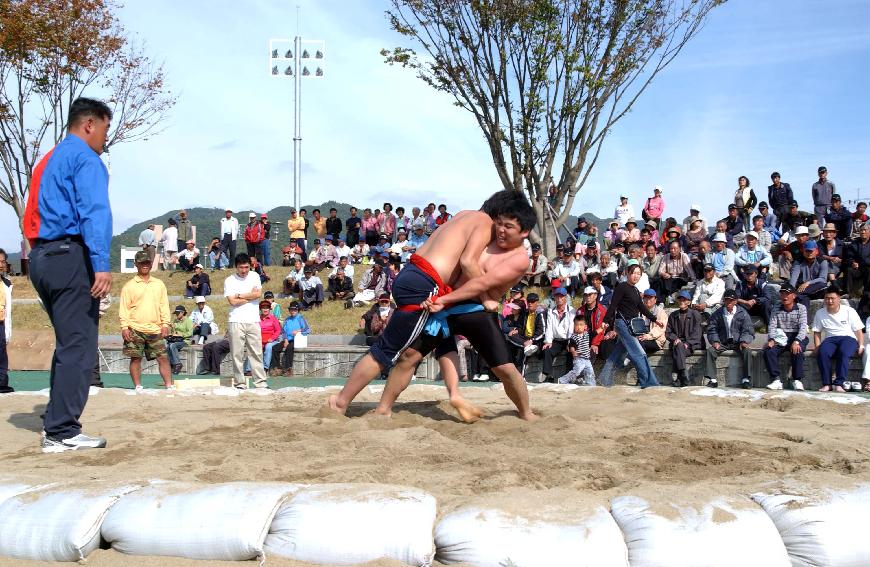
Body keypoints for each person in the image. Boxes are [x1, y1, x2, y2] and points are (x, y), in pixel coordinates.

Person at [329, 190, 537, 422]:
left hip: (461, 302)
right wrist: (476, 298)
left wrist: (482, 298)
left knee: (499, 366)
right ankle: (357, 404)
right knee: (394, 352)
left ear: (524, 231)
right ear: (495, 216)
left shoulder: (515, 255)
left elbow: (481, 278)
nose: (500, 229)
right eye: (499, 223)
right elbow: (468, 262)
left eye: (508, 226)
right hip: (435, 291)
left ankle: (517, 410)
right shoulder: (483, 223)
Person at [23, 97, 112, 452]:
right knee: (79, 346)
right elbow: (94, 211)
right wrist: (101, 263)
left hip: (41, 257)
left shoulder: (48, 159)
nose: (106, 138)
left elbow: (33, 212)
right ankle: (61, 431)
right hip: (68, 255)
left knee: (68, 345)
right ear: (89, 125)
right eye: (105, 129)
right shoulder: (85, 158)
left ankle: (57, 423)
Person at [597, 264, 662, 388]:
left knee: (618, 353)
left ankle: (604, 379)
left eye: (639, 273)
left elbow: (641, 307)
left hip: (631, 325)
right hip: (623, 324)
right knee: (639, 353)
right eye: (634, 273)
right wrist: (605, 321)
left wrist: (654, 319)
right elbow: (613, 305)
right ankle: (649, 383)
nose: (636, 275)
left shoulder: (635, 290)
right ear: (628, 273)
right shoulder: (622, 287)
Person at [120, 251, 173, 390]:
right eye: (142, 263)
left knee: (162, 357)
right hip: (134, 328)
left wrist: (165, 324)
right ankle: (138, 386)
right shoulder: (129, 286)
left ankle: (169, 385)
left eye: (147, 262)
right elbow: (124, 308)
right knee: (136, 358)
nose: (145, 265)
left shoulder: (159, 284)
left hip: (155, 328)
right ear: (136, 264)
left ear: (150, 264)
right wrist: (124, 327)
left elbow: (164, 305)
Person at [224, 252, 267, 389]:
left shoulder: (254, 276)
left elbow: (258, 294)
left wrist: (240, 295)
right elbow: (232, 302)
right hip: (236, 320)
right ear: (236, 267)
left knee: (256, 352)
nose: (244, 271)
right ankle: (240, 383)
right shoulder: (229, 280)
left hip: (253, 320)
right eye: (241, 267)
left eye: (247, 267)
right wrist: (250, 296)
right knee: (237, 353)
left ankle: (260, 382)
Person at [812, 286, 864, 393]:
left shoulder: (849, 311)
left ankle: (839, 384)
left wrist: (861, 344)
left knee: (844, 352)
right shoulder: (820, 313)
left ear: (838, 298)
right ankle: (827, 384)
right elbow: (817, 331)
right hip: (830, 338)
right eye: (827, 298)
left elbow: (858, 330)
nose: (829, 301)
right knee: (823, 352)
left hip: (848, 337)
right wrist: (817, 346)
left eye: (832, 298)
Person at [704, 289, 754, 389]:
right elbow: (711, 328)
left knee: (747, 351)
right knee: (710, 351)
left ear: (735, 301)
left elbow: (748, 329)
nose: (729, 302)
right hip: (723, 342)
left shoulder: (742, 313)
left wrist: (744, 340)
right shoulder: (718, 313)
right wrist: (715, 341)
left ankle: (746, 379)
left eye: (731, 300)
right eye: (726, 300)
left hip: (738, 342)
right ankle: (713, 380)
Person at [764, 283, 808, 391]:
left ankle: (797, 379)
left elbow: (803, 328)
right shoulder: (777, 306)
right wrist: (771, 339)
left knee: (798, 350)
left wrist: (797, 341)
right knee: (769, 351)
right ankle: (776, 380)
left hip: (797, 335)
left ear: (794, 296)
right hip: (782, 336)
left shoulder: (801, 308)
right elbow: (772, 325)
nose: (785, 297)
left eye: (787, 294)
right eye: (782, 294)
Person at [666, 290, 704, 388]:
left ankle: (679, 377)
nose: (682, 301)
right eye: (680, 299)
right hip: (678, 343)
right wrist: (675, 339)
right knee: (678, 346)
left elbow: (697, 333)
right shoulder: (673, 315)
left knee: (678, 348)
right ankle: (683, 374)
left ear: (689, 302)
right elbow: (668, 332)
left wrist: (687, 343)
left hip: (692, 344)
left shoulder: (695, 314)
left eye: (684, 300)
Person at [538, 286, 574, 382]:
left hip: (568, 339)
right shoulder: (551, 311)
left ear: (565, 297)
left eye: (561, 297)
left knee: (571, 352)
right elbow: (549, 327)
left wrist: (570, 343)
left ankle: (569, 377)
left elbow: (571, 329)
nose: (559, 299)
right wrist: (548, 341)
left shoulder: (571, 311)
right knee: (547, 350)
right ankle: (547, 375)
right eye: (557, 297)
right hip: (556, 340)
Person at [271, 302, 311, 376]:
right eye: (291, 309)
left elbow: (307, 329)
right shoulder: (287, 319)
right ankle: (277, 368)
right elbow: (283, 331)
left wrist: (298, 331)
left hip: (297, 340)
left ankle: (288, 369)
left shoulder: (300, 318)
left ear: (298, 310)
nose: (292, 311)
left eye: (294, 310)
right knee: (275, 348)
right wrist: (285, 340)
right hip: (288, 339)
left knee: (289, 348)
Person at [556, 316, 595, 386]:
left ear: (585, 327)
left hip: (587, 359)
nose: (578, 327)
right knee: (576, 371)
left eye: (581, 325)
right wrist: (573, 352)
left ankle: (591, 384)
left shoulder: (587, 334)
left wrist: (602, 328)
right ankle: (562, 380)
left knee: (590, 372)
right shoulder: (574, 337)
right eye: (576, 325)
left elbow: (595, 333)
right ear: (574, 326)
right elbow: (571, 346)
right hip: (579, 358)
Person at [790, 240, 828, 309]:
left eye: (811, 251)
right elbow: (793, 278)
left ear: (816, 251)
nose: (809, 253)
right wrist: (791, 290)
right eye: (807, 251)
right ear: (803, 251)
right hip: (802, 289)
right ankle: (805, 318)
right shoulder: (798, 262)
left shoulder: (822, 261)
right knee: (804, 299)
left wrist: (808, 283)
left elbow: (823, 279)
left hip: (816, 289)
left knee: (823, 285)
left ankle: (797, 295)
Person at [253, 300, 283, 377]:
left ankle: (265, 368)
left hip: (272, 340)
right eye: (263, 308)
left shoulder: (273, 319)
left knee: (269, 346)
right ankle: (249, 369)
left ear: (270, 309)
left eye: (267, 308)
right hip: (260, 340)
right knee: (253, 347)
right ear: (260, 309)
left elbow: (278, 330)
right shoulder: (256, 319)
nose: (265, 309)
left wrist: (272, 338)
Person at [636, 288, 667, 354]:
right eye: (646, 297)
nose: (648, 300)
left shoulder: (661, 312)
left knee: (639, 343)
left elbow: (660, 329)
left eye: (650, 298)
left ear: (655, 300)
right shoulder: (638, 311)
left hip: (656, 340)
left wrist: (647, 336)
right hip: (641, 338)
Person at [166, 305, 193, 375]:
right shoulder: (175, 321)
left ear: (183, 313)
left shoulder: (188, 321)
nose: (176, 315)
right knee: (168, 345)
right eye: (176, 313)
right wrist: (172, 330)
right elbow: (174, 333)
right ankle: (172, 364)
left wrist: (181, 334)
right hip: (176, 339)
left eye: (178, 313)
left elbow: (190, 333)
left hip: (185, 340)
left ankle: (178, 364)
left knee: (172, 346)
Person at [0, 262, 11, 394]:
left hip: (1, 324)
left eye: (2, 262)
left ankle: (2, 384)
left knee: (2, 357)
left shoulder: (7, 284)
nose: (1, 265)